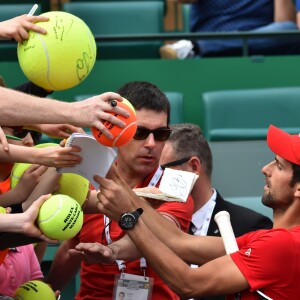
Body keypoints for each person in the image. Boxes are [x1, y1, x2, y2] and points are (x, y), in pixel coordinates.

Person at [72, 124, 300, 299]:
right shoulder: (274, 240)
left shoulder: (283, 245)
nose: (265, 169)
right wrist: (124, 192)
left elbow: (188, 282)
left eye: (279, 166)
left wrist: (129, 218)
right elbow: (180, 243)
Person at [46, 81, 194, 300]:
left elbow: (162, 235)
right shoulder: (83, 182)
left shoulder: (176, 185)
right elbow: (72, 249)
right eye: (140, 132)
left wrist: (112, 251)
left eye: (161, 133)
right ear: (117, 131)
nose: (151, 144)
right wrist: (47, 292)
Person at [159, 123, 273, 300]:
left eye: (161, 171)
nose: (154, 180)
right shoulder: (154, 223)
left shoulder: (251, 227)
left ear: (193, 167)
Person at [160, 0, 300, 59]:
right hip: (212, 34)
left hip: (260, 44)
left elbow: (282, 27)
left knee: (290, 29)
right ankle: (194, 48)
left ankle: (191, 48)